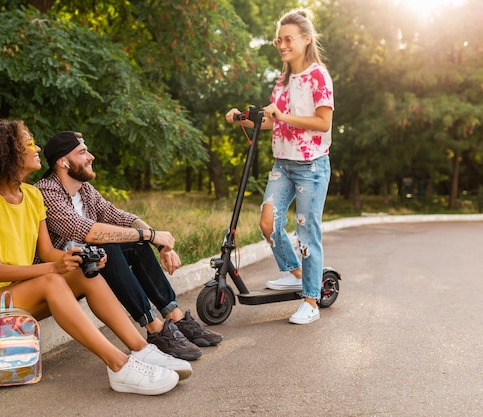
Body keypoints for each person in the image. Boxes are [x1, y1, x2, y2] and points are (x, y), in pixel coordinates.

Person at [0, 119, 193, 396]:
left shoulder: (32, 196)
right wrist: (54, 267)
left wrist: (75, 258)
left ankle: (143, 350)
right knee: (52, 281)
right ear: (8, 152)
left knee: (84, 272)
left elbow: (47, 252)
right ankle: (119, 365)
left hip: (19, 292)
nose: (37, 147)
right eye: (29, 142)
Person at [35, 131, 223, 361]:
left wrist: (157, 241)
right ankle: (154, 329)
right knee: (109, 244)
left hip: (87, 265)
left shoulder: (84, 190)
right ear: (63, 162)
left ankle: (174, 316)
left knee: (136, 243)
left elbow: (119, 216)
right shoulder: (46, 191)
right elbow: (85, 230)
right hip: (58, 274)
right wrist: (150, 234)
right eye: (82, 152)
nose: (91, 156)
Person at [225, 8, 334, 325]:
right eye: (279, 40)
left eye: (288, 39)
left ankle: (311, 301)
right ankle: (296, 273)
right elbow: (274, 123)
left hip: (310, 166)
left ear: (305, 39)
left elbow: (324, 123)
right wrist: (241, 119)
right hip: (283, 163)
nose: (282, 44)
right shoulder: (282, 80)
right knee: (268, 223)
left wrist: (283, 117)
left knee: (306, 233)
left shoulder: (318, 76)